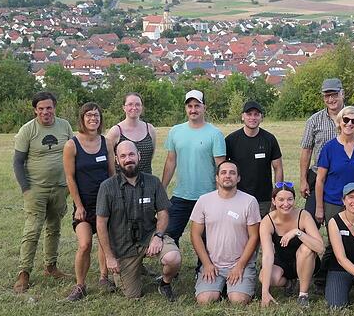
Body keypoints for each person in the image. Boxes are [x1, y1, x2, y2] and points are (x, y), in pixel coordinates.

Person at [96, 140, 181, 301]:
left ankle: (165, 283)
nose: (128, 159)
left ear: (139, 156)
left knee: (173, 258)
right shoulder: (107, 187)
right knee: (132, 295)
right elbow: (100, 224)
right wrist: (109, 257)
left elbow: (163, 213)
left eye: (131, 154)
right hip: (123, 245)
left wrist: (158, 236)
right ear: (117, 160)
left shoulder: (153, 182)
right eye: (123, 156)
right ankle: (135, 268)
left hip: (149, 236)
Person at [13, 91, 74, 293]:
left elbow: (74, 153)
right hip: (35, 189)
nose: (45, 112)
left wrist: (69, 185)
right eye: (41, 109)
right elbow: (18, 162)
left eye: (49, 108)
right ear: (35, 110)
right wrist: (26, 189)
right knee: (32, 230)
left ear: (54, 107)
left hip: (60, 188)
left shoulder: (64, 126)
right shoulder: (27, 130)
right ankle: (24, 272)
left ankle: (51, 266)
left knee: (54, 228)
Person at [63, 103, 116, 301]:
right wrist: (78, 206)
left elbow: (112, 174)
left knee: (105, 242)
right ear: (82, 118)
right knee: (85, 244)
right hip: (84, 205)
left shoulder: (106, 142)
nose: (93, 118)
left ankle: (104, 277)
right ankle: (80, 285)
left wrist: (115, 198)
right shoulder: (72, 145)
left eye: (96, 115)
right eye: (89, 115)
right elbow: (70, 178)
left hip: (105, 203)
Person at [189, 161, 261, 305]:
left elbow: (254, 236)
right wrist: (207, 264)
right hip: (213, 264)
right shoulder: (204, 200)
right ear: (217, 178)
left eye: (232, 173)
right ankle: (220, 287)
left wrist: (240, 266)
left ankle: (235, 287)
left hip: (240, 263)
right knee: (205, 300)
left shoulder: (249, 201)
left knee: (239, 300)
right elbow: (195, 235)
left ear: (238, 178)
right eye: (223, 173)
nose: (227, 176)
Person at [300, 78, 354, 221]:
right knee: (311, 219)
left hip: (351, 176)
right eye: (327, 96)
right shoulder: (314, 120)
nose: (331, 99)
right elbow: (306, 150)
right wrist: (303, 180)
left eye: (334, 95)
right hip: (319, 176)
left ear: (342, 94)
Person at [161, 90, 226, 246]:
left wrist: (221, 195)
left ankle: (203, 268)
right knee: (169, 235)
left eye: (197, 105)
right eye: (190, 106)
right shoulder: (175, 131)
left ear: (204, 107)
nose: (193, 110)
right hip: (181, 195)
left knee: (207, 238)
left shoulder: (215, 134)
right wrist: (162, 188)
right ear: (185, 108)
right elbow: (170, 161)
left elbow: (221, 167)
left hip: (207, 195)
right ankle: (172, 266)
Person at [259, 182, 325, 308]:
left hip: (305, 260)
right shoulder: (267, 221)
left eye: (290, 199)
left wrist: (297, 232)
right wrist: (264, 292)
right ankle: (288, 283)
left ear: (294, 200)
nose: (286, 204)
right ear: (273, 201)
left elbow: (320, 248)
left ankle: (303, 295)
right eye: (281, 200)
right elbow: (267, 256)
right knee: (264, 277)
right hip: (282, 261)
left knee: (306, 249)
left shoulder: (303, 216)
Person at [315, 106, 354, 226]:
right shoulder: (329, 148)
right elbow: (320, 180)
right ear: (340, 122)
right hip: (333, 203)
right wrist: (319, 207)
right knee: (334, 241)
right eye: (346, 120)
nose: (349, 124)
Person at [225, 100, 283, 217]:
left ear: (261, 117)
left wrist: (277, 194)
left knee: (262, 232)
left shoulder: (269, 139)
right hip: (237, 197)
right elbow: (222, 168)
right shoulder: (231, 140)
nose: (253, 117)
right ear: (242, 116)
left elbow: (278, 168)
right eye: (249, 114)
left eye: (256, 114)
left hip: (263, 199)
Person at [106, 92, 156, 174]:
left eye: (137, 104)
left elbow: (150, 157)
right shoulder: (116, 131)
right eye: (130, 104)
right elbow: (108, 160)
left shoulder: (150, 129)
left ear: (142, 107)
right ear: (124, 108)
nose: (134, 107)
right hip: (122, 183)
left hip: (147, 182)